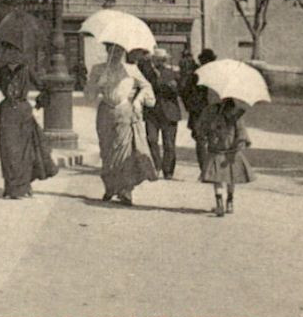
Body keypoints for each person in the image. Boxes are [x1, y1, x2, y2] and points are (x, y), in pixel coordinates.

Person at [84, 43, 159, 204]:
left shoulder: (131, 69)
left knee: (124, 150)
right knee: (106, 150)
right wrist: (97, 84)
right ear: (107, 51)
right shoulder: (98, 69)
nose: (117, 53)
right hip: (105, 112)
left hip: (124, 110)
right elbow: (89, 96)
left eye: (120, 51)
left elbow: (146, 86)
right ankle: (110, 187)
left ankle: (126, 190)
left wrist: (138, 100)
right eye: (113, 50)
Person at [0, 59, 58, 199]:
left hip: (23, 112)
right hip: (6, 113)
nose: (10, 55)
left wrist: (38, 105)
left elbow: (44, 88)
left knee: (24, 152)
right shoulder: (0, 70)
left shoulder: (26, 69)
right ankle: (11, 187)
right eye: (8, 51)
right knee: (9, 151)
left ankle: (22, 187)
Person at [197, 98, 253, 217]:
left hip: (216, 150)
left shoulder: (211, 113)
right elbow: (242, 134)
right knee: (231, 178)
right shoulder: (237, 115)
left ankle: (219, 203)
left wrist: (208, 136)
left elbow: (202, 130)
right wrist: (239, 144)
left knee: (217, 178)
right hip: (232, 152)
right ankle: (230, 202)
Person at [141, 47, 184, 178]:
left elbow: (181, 91)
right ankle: (156, 165)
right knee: (151, 139)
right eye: (156, 59)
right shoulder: (148, 73)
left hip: (170, 113)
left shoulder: (173, 73)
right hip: (152, 112)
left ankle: (168, 171)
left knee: (169, 144)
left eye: (161, 60)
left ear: (165, 60)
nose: (158, 62)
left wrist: (174, 87)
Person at [183, 48, 217, 173]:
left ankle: (206, 170)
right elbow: (186, 92)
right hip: (207, 112)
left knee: (204, 140)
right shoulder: (198, 75)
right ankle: (208, 170)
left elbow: (185, 92)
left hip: (203, 111)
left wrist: (190, 107)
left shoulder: (197, 74)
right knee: (207, 140)